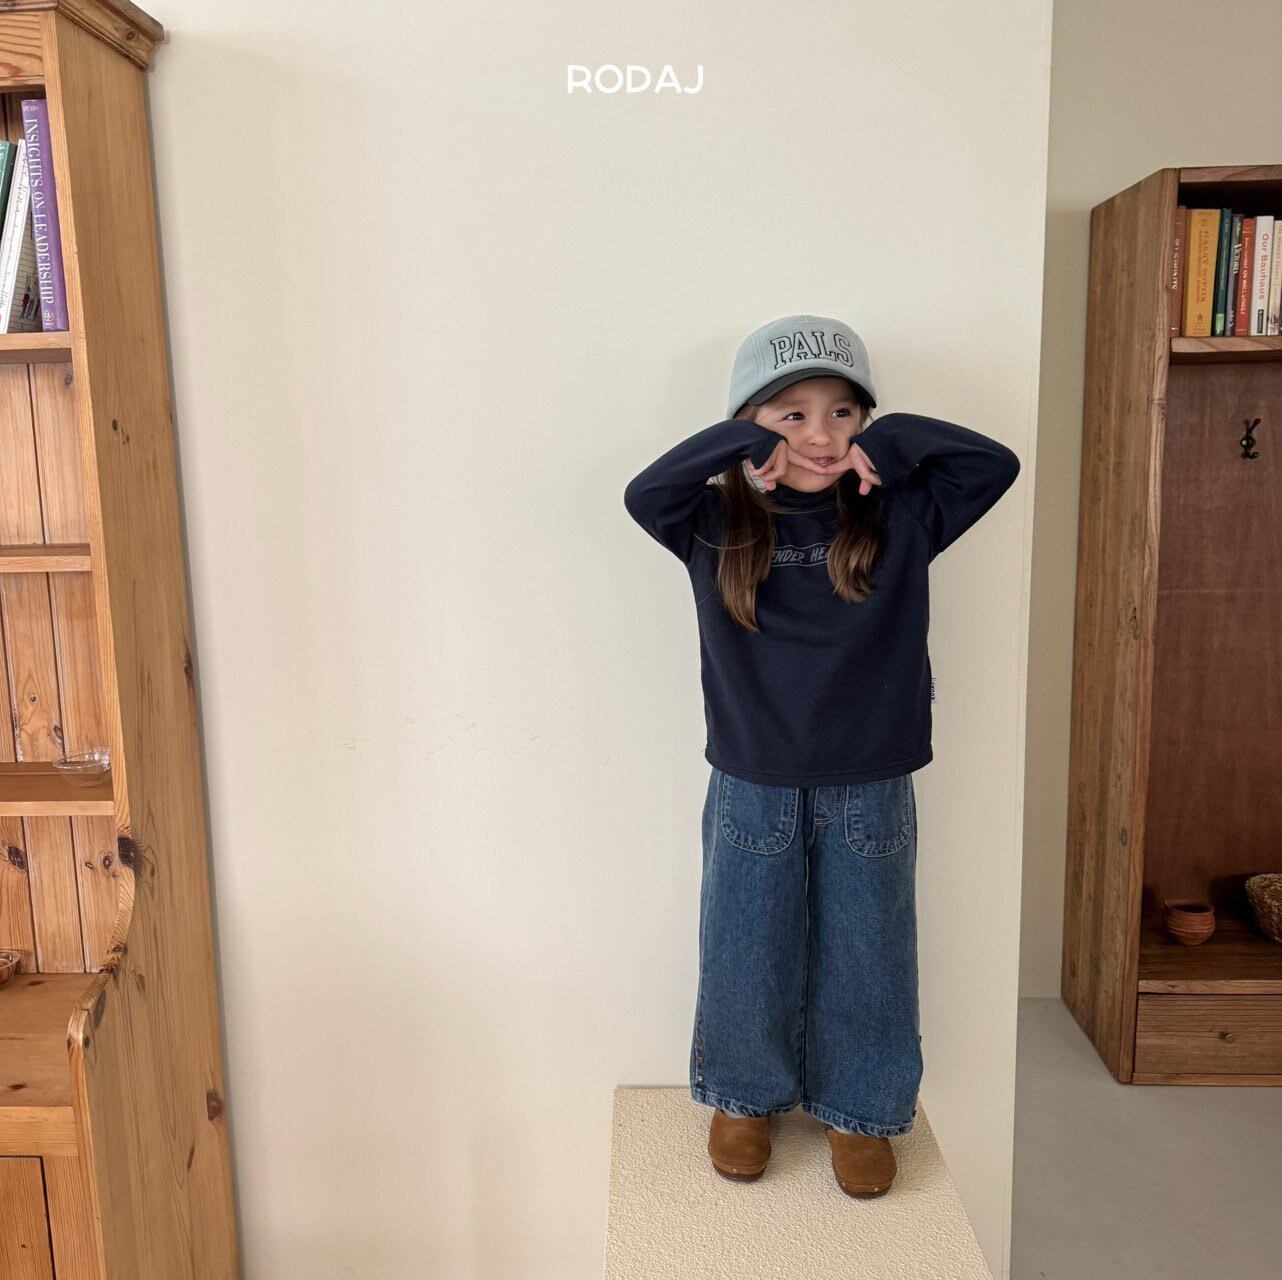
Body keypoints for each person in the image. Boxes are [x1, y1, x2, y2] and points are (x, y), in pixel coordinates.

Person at [622, 313, 1021, 1198]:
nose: (822, 435)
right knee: (746, 943)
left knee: (869, 948)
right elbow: (645, 492)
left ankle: (862, 1111)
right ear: (752, 422)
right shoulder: (709, 521)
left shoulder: (903, 513)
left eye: (843, 413)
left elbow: (992, 464)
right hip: (752, 780)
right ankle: (743, 1097)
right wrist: (740, 446)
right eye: (791, 415)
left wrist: (892, 440)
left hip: (872, 780)